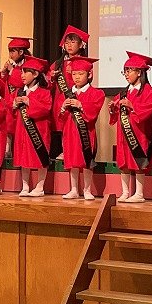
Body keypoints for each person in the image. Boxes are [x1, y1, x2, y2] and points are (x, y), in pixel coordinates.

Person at [108, 52, 152, 203]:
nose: (126, 74)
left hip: (140, 133)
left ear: (140, 72)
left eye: (129, 70)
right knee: (124, 161)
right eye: (125, 71)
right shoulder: (123, 92)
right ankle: (125, 192)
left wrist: (132, 106)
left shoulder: (149, 91)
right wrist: (112, 109)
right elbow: (116, 113)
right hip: (123, 133)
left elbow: (148, 111)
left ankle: (139, 194)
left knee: (137, 160)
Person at [59, 56, 105, 200]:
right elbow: (60, 117)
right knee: (72, 160)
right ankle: (73, 189)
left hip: (86, 131)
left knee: (86, 160)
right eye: (74, 74)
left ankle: (87, 189)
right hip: (69, 131)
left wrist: (81, 105)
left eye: (80, 74)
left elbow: (94, 112)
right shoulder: (66, 94)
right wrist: (63, 107)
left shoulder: (96, 93)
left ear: (89, 74)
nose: (77, 77)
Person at [13, 56, 52, 197]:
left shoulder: (45, 92)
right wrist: (14, 105)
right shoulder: (19, 92)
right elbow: (11, 112)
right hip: (22, 129)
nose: (22, 75)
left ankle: (40, 187)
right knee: (23, 157)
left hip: (39, 129)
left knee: (40, 156)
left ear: (35, 74)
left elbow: (46, 109)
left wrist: (29, 102)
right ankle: (25, 186)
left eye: (25, 72)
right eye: (21, 72)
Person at [50, 26, 88, 159]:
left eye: (73, 42)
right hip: (59, 99)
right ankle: (64, 150)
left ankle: (73, 151)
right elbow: (48, 83)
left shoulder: (84, 62)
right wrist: (52, 77)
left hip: (76, 98)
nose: (69, 45)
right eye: (67, 43)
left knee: (74, 126)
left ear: (81, 45)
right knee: (61, 126)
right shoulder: (58, 63)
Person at [0, 36, 33, 156]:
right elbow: (3, 83)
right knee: (8, 122)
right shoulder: (14, 65)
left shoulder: (29, 65)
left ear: (21, 52)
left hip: (22, 97)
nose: (10, 55)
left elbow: (21, 82)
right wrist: (4, 73)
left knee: (19, 124)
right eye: (10, 51)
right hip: (10, 97)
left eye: (13, 51)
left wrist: (12, 71)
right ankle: (7, 149)